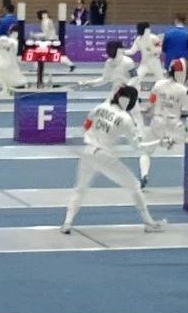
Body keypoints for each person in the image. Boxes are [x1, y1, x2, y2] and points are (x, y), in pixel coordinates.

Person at [61, 85, 165, 234]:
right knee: (134, 186)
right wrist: (159, 142)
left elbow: (86, 125)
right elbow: (137, 146)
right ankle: (149, 223)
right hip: (104, 156)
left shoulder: (100, 107)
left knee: (80, 188)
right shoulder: (125, 118)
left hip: (88, 152)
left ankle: (67, 223)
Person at [141, 59, 188, 188]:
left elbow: (150, 104)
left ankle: (144, 175)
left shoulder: (158, 84)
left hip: (157, 122)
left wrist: (145, 112)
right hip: (174, 125)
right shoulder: (182, 90)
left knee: (145, 152)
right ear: (182, 73)